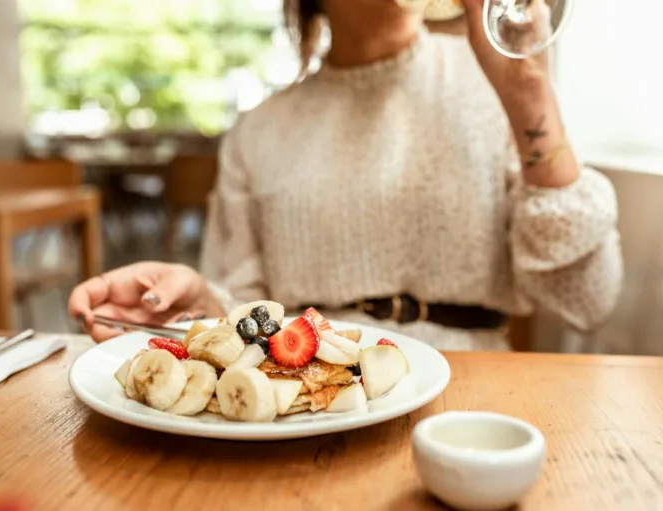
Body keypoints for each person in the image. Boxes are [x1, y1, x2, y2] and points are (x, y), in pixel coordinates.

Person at [69, 0, 622, 351]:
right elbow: (247, 319)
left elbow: (589, 300)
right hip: (308, 404)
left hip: (467, 404)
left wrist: (528, 95)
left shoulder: (498, 85)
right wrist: (200, 305)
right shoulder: (260, 131)